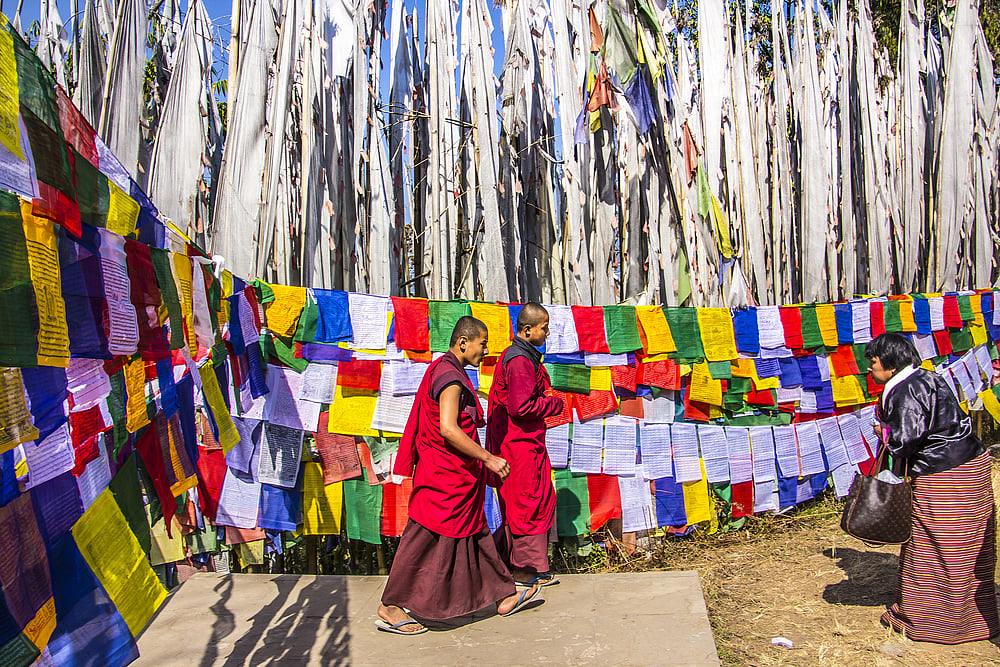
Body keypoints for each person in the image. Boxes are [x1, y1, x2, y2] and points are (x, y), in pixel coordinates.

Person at [376, 316, 541, 634]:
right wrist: (489, 458)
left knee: (476, 533)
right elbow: (449, 429)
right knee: (422, 537)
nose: (486, 349)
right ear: (464, 342)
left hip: (456, 474)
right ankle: (391, 606)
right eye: (483, 342)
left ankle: (504, 595)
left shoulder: (445, 369)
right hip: (444, 476)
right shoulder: (450, 377)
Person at [865, 332, 999, 644]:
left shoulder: (906, 390)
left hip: (944, 475)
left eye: (873, 362)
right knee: (967, 547)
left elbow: (906, 439)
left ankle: (932, 623)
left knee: (934, 546)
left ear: (890, 363)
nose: (870, 369)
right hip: (970, 466)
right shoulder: (927, 377)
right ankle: (973, 620)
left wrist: (883, 431)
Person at [486, 303, 565, 587]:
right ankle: (523, 570)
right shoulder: (519, 360)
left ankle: (522, 567)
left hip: (524, 443)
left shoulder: (523, 356)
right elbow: (521, 406)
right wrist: (554, 403)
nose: (547, 333)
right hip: (518, 446)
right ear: (528, 330)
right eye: (544, 328)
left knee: (533, 501)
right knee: (526, 504)